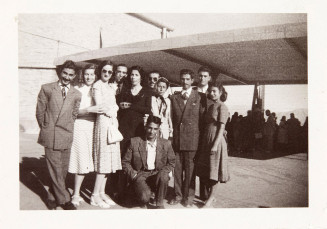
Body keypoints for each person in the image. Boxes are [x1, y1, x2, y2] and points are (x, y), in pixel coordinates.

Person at [36, 60, 81, 210]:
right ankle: (65, 200)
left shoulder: (76, 94)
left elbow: (74, 114)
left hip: (66, 135)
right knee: (55, 168)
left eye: (70, 75)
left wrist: (68, 126)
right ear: (60, 72)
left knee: (62, 170)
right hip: (51, 134)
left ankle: (51, 196)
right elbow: (40, 112)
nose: (67, 77)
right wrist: (47, 128)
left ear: (74, 76)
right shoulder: (47, 88)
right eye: (65, 73)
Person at [68, 64, 104, 207]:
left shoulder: (98, 90)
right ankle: (76, 194)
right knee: (81, 161)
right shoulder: (78, 90)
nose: (89, 77)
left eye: (92, 74)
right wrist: (90, 109)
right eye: (87, 74)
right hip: (81, 126)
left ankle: (94, 192)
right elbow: (72, 112)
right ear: (83, 75)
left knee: (91, 161)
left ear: (96, 76)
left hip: (94, 127)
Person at [169, 69, 206, 207]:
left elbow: (202, 120)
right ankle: (178, 196)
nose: (184, 81)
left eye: (187, 79)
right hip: (178, 141)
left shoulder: (200, 97)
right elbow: (171, 118)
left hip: (192, 141)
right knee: (177, 171)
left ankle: (189, 198)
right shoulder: (174, 98)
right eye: (182, 79)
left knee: (190, 172)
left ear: (192, 80)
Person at [122, 115, 175, 209]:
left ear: (158, 129)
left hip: (157, 173)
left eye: (155, 129)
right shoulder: (134, 142)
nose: (152, 131)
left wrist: (164, 172)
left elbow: (172, 162)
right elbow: (125, 162)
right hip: (140, 174)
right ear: (145, 127)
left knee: (164, 176)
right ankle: (142, 194)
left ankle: (159, 204)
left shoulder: (166, 143)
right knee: (144, 198)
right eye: (150, 128)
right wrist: (133, 175)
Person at [117, 65, 152, 200]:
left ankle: (136, 191)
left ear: (141, 77)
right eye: (131, 74)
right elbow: (119, 108)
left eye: (136, 75)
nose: (133, 77)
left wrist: (132, 106)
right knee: (123, 159)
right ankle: (121, 191)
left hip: (138, 129)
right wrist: (121, 106)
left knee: (136, 160)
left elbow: (148, 109)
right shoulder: (125, 90)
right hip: (124, 128)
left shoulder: (146, 91)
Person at [92, 60, 122, 208]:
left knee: (110, 159)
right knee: (103, 160)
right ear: (100, 71)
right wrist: (111, 111)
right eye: (105, 71)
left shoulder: (110, 87)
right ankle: (94, 195)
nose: (107, 74)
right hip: (104, 123)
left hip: (112, 122)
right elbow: (100, 106)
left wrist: (113, 110)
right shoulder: (97, 85)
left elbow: (115, 104)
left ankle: (102, 192)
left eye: (110, 72)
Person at [195, 81, 230, 208]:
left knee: (214, 172)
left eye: (215, 91)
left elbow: (221, 127)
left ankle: (210, 199)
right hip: (207, 139)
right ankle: (210, 196)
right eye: (210, 91)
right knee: (207, 170)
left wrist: (215, 145)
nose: (212, 93)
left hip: (216, 139)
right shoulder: (211, 106)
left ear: (220, 93)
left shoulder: (222, 107)